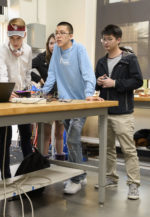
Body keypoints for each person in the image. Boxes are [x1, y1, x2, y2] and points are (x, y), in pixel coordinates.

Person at [42, 21, 96, 194]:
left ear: (71, 35)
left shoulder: (79, 49)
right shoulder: (56, 50)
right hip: (65, 103)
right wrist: (42, 93)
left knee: (72, 140)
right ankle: (82, 172)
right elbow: (52, 74)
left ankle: (76, 179)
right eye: (56, 32)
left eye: (62, 33)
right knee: (72, 141)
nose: (58, 36)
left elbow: (88, 74)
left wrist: (89, 93)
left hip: (80, 103)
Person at [91, 24, 143, 200]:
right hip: (105, 111)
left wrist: (116, 83)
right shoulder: (101, 62)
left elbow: (137, 81)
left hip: (123, 112)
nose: (105, 42)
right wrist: (98, 82)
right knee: (107, 149)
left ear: (118, 40)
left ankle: (134, 184)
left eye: (109, 39)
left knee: (129, 150)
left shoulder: (129, 59)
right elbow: (96, 85)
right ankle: (110, 178)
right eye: (103, 39)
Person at [0, 17, 33, 179]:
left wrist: (29, 88)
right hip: (6, 96)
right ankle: (6, 176)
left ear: (23, 35)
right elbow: (1, 74)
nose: (15, 42)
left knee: (26, 136)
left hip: (23, 95)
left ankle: (29, 172)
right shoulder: (2, 50)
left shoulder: (29, 50)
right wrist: (6, 91)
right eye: (12, 38)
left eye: (18, 38)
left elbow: (28, 72)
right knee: (6, 138)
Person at [31, 33, 65, 160]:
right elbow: (25, 68)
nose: (54, 46)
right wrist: (38, 78)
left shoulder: (65, 58)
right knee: (45, 134)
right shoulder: (41, 58)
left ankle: (60, 160)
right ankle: (43, 161)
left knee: (60, 133)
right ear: (47, 45)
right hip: (48, 99)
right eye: (51, 43)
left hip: (62, 99)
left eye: (56, 42)